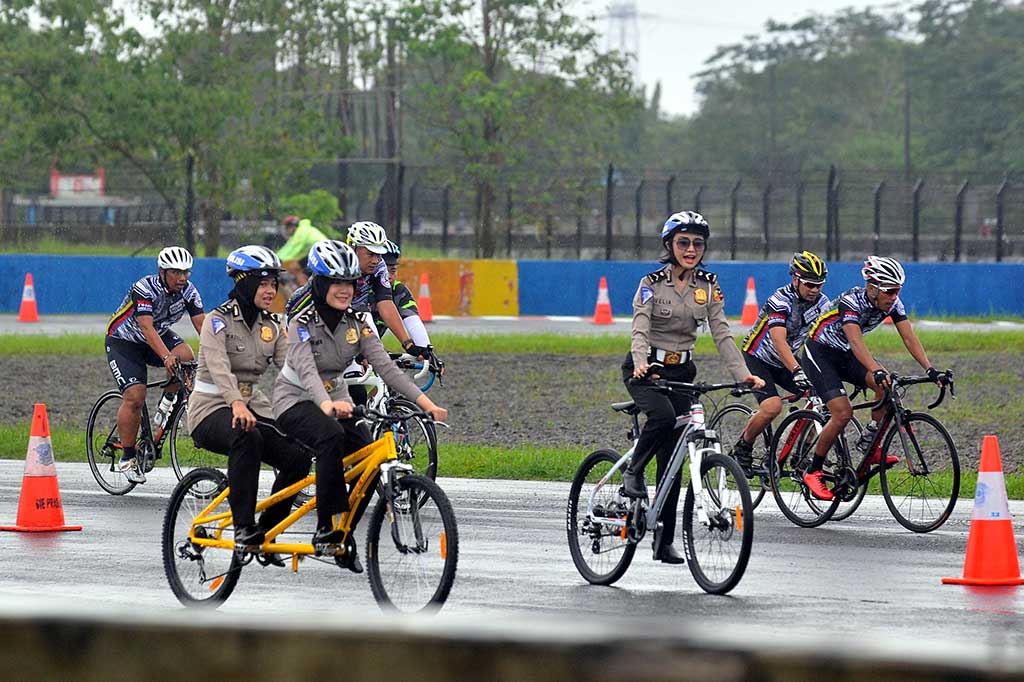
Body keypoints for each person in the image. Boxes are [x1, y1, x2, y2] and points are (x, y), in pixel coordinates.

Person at [272, 240, 449, 571]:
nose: (344, 290)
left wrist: (427, 404)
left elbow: (386, 367)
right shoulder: (300, 320)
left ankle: (344, 536)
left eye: (350, 283)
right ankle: (325, 528)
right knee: (329, 437)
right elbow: (307, 372)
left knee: (368, 455)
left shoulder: (358, 320)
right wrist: (326, 405)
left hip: (334, 397)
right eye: (337, 282)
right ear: (321, 283)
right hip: (294, 398)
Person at [621, 211, 764, 564]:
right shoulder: (651, 282)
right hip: (647, 369)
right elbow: (639, 329)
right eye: (683, 242)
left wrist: (743, 373)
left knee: (672, 459)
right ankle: (632, 471)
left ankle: (663, 539)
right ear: (670, 245)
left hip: (682, 371)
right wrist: (640, 363)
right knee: (663, 416)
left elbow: (722, 333)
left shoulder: (708, 285)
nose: (691, 249)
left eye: (698, 243)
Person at [188, 246, 312, 553]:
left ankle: (264, 532)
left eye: (274, 284)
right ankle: (243, 528)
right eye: (264, 284)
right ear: (244, 282)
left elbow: (292, 366)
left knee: (298, 455)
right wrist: (237, 403)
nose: (271, 291)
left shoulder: (272, 324)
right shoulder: (217, 322)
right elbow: (219, 369)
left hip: (251, 407)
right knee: (249, 437)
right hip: (210, 408)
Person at [799, 256, 950, 500]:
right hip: (819, 352)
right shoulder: (852, 302)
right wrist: (875, 369)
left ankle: (870, 445)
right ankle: (813, 470)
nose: (894, 296)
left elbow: (909, 338)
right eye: (890, 290)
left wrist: (930, 369)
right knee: (842, 413)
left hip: (846, 354)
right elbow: (856, 340)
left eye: (898, 290)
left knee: (886, 385)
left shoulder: (892, 304)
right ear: (872, 287)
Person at [105, 246, 204, 484]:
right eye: (176, 272)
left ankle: (166, 406)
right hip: (124, 342)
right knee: (135, 396)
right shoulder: (144, 288)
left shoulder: (189, 292)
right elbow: (146, 327)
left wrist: (221, 353)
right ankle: (127, 458)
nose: (182, 278)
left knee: (186, 357)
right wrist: (166, 357)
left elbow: (203, 326)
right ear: (162, 271)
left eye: (186, 272)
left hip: (155, 337)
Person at [731, 251, 832, 475]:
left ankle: (802, 455)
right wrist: (796, 369)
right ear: (795, 279)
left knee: (825, 400)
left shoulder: (822, 304)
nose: (814, 290)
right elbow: (778, 340)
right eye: (809, 284)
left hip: (785, 360)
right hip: (758, 357)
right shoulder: (780, 299)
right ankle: (743, 447)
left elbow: (826, 337)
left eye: (819, 285)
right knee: (772, 407)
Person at [377, 239, 431, 348]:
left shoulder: (398, 291)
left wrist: (426, 351)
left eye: (392, 271)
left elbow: (414, 323)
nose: (388, 276)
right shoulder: (361, 288)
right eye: (383, 270)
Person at [277, 215, 328, 287]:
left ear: (291, 227)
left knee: (295, 269)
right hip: (320, 254)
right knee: (296, 267)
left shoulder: (301, 231)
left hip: (320, 254)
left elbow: (292, 248)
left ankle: (305, 292)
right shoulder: (305, 229)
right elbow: (300, 253)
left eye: (286, 228)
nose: (286, 231)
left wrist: (277, 258)